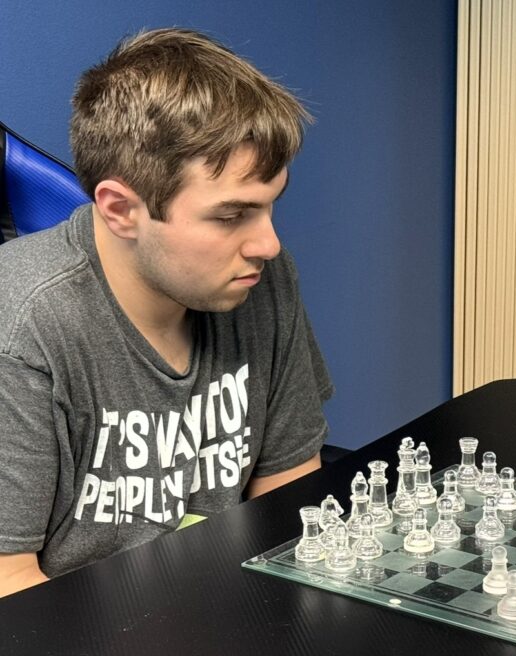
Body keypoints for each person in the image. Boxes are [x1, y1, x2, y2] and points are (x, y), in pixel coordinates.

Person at [0, 29, 333, 598]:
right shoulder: (24, 326)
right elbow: (9, 588)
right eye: (232, 216)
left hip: (224, 619)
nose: (268, 244)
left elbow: (292, 504)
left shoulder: (259, 280)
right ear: (120, 210)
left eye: (270, 206)